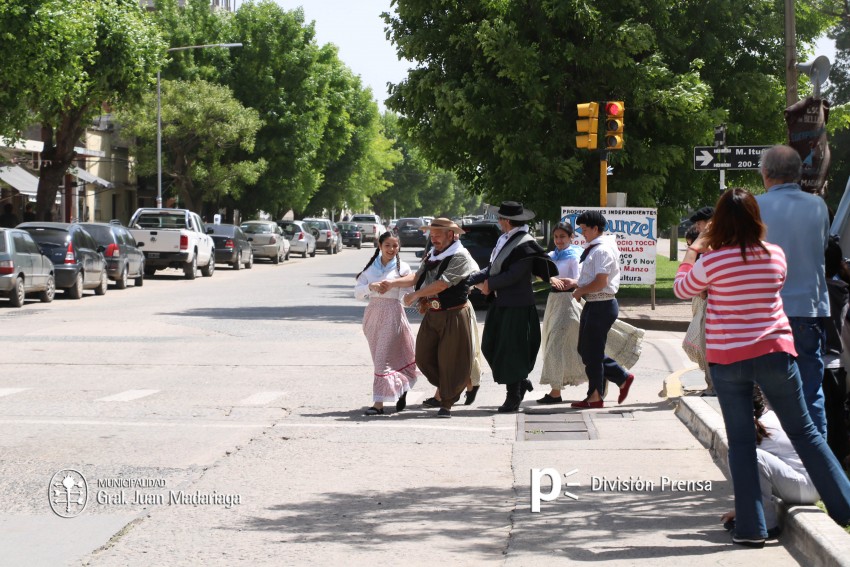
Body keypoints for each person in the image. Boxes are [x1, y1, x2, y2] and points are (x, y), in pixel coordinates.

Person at [674, 187, 850, 547]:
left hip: (728, 359)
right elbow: (773, 288)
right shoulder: (775, 255)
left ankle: (752, 527)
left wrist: (694, 249)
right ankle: (845, 508)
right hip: (774, 351)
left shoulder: (712, 261)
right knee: (805, 433)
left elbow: (682, 288)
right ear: (757, 218)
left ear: (718, 223)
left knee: (740, 443)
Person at [756, 145, 831, 438]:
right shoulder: (818, 206)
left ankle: (787, 457)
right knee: (812, 391)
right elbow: (822, 249)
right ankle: (817, 467)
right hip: (809, 310)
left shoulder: (755, 207)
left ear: (765, 173)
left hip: (768, 313)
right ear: (798, 173)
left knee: (774, 395)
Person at [538, 221, 644, 403]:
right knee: (581, 349)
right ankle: (605, 384)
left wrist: (575, 287)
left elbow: (590, 280)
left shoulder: (584, 253)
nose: (559, 240)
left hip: (571, 301)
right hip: (560, 302)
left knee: (562, 346)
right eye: (556, 237)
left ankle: (591, 389)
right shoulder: (557, 254)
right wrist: (553, 279)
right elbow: (544, 273)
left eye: (563, 236)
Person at [467, 201, 557, 413]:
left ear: (506, 221)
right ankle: (520, 382)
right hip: (501, 302)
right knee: (492, 345)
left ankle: (513, 394)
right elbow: (493, 268)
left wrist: (489, 284)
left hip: (517, 304)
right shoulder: (505, 239)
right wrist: (471, 279)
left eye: (499, 218)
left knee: (512, 350)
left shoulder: (524, 243)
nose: (498, 222)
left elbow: (515, 274)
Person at [385, 218, 479, 418]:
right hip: (433, 313)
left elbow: (442, 285)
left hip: (454, 314)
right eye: (432, 235)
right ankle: (460, 383)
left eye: (437, 235)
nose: (433, 238)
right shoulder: (432, 254)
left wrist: (416, 295)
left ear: (451, 235)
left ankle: (446, 403)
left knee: (449, 360)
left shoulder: (460, 256)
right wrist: (392, 283)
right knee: (424, 358)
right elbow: (416, 278)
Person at [720, 386, 819, 540]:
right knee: (742, 455)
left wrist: (741, 512)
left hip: (804, 488)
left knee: (745, 456)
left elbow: (746, 474)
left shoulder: (760, 425)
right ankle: (755, 517)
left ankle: (766, 524)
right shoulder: (767, 417)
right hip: (804, 484)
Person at [558, 210, 635, 408]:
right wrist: (575, 283)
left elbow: (601, 282)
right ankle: (620, 378)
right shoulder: (595, 248)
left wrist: (579, 291)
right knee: (586, 350)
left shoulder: (601, 250)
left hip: (602, 304)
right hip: (596, 303)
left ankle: (596, 396)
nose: (583, 233)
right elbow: (594, 279)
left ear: (595, 228)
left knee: (591, 352)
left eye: (585, 229)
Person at [354, 232, 417, 416]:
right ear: (380, 245)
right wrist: (370, 287)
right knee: (380, 358)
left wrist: (395, 286)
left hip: (392, 313)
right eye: (387, 245)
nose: (391, 249)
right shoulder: (369, 268)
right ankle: (401, 386)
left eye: (395, 246)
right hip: (372, 314)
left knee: (382, 358)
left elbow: (408, 294)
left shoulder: (402, 268)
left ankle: (378, 403)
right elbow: (357, 292)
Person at [682, 224, 713, 396]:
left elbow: (681, 288)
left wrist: (693, 251)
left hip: (706, 306)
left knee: (696, 345)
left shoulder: (707, 260)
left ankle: (712, 384)